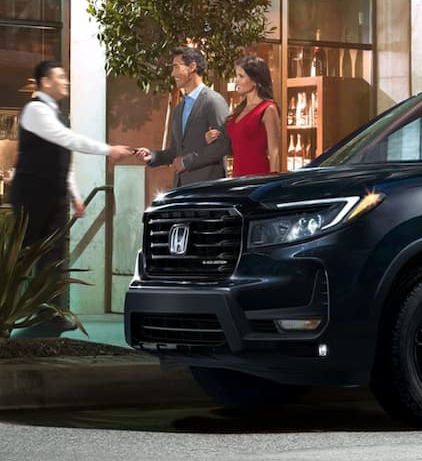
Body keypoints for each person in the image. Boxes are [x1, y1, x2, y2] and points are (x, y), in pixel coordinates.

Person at [9, 60, 133, 331]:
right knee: (22, 256)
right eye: (60, 77)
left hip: (54, 197)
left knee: (52, 256)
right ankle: (7, 314)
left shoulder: (58, 114)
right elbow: (67, 140)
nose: (65, 81)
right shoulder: (35, 111)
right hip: (31, 196)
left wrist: (75, 194)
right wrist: (108, 150)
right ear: (44, 82)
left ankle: (50, 314)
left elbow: (64, 158)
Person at [133, 47, 231, 186]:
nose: (173, 74)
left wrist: (186, 162)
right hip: (182, 187)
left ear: (192, 67)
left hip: (207, 188)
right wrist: (154, 156)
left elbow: (223, 145)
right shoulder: (179, 108)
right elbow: (176, 151)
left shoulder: (213, 101)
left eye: (176, 67)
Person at [204, 56, 281, 176]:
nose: (236, 81)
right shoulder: (239, 112)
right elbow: (236, 145)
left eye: (241, 76)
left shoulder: (268, 109)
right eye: (236, 76)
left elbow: (274, 151)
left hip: (258, 177)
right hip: (238, 177)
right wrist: (213, 138)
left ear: (255, 80)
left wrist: (272, 184)